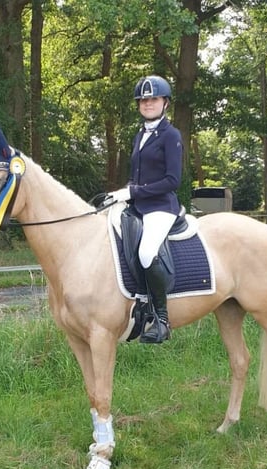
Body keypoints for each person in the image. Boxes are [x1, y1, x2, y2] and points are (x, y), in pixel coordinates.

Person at [106, 75, 184, 343]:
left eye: (154, 99)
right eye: (144, 99)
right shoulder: (139, 134)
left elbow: (172, 180)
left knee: (147, 252)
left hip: (161, 206)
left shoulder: (171, 135)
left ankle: (161, 319)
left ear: (165, 103)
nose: (148, 103)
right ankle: (134, 299)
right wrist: (122, 193)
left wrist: (134, 191)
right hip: (138, 205)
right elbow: (139, 176)